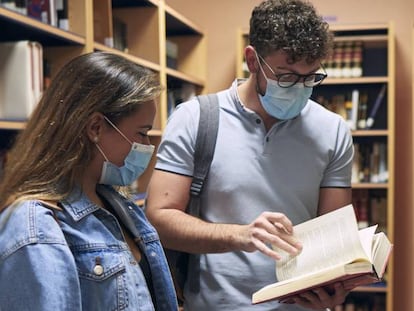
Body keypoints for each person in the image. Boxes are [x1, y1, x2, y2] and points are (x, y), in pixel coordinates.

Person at [146, 0, 356, 310]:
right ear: (252, 60)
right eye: (286, 77)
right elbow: (159, 218)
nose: (299, 88)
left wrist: (336, 286)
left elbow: (333, 235)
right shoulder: (195, 119)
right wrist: (240, 235)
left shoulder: (333, 130)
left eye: (310, 78)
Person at [0, 52, 178, 311]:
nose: (148, 147)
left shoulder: (114, 202)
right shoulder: (36, 228)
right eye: (142, 133)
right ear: (95, 127)